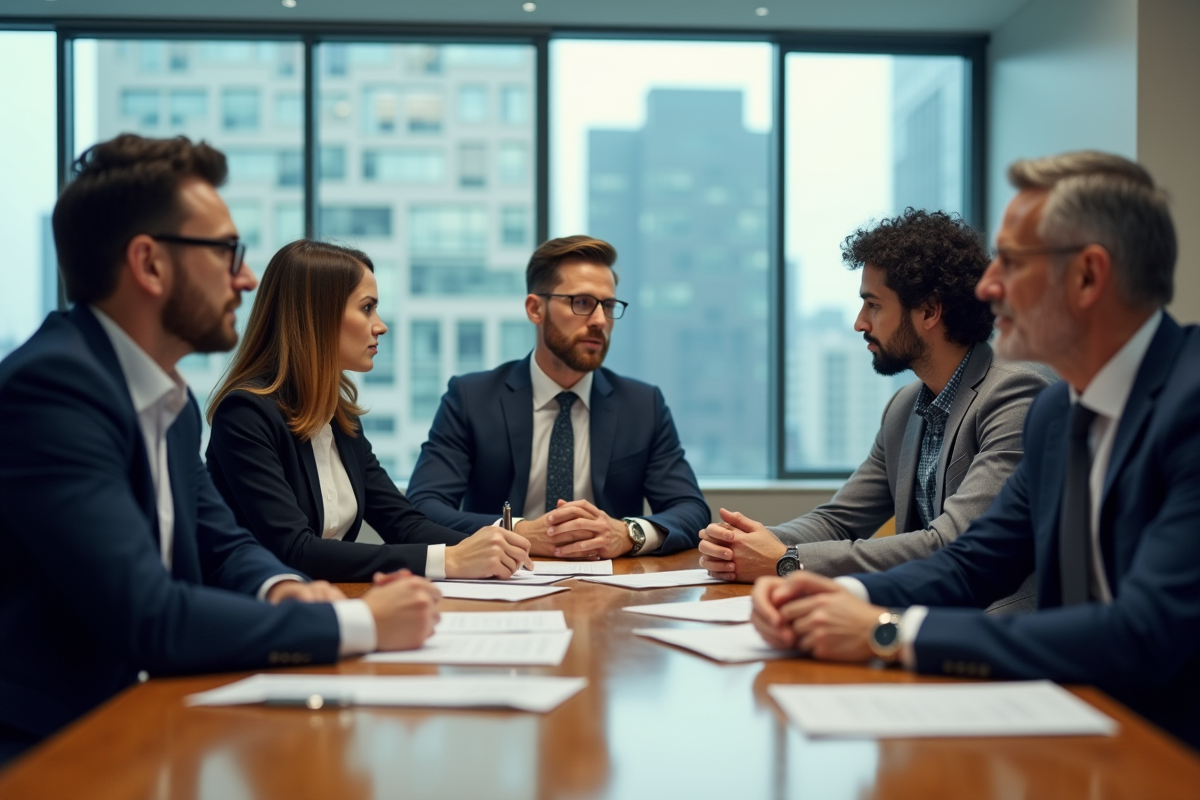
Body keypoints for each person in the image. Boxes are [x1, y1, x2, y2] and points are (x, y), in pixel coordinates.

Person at [0, 134, 440, 766]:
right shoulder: (54, 391)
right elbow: (148, 613)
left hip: (152, 721)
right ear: (149, 264)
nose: (247, 277)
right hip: (56, 744)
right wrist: (360, 626)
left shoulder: (167, 399)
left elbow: (224, 542)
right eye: (225, 251)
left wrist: (283, 588)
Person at [751, 151, 1200, 749]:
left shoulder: (1189, 404)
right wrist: (829, 594)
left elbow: (1144, 632)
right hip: (1077, 732)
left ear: (1089, 277)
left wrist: (890, 632)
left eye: (1010, 263)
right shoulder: (1059, 412)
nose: (987, 287)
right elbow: (972, 564)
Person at [699, 210, 1051, 616]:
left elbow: (951, 542)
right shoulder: (904, 407)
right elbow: (840, 521)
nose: (859, 323)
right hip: (914, 618)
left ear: (929, 312)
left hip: (996, 632)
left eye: (873, 305)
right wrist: (744, 545)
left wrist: (786, 561)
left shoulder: (1014, 395)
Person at [205, 239, 533, 582]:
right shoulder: (244, 415)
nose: (381, 325)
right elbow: (294, 550)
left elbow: (402, 523)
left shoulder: (340, 419)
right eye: (366, 308)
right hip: (262, 617)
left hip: (329, 606)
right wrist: (448, 560)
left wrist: (492, 549)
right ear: (317, 315)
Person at [406, 236, 710, 559]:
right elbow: (422, 507)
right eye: (581, 302)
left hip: (611, 589)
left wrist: (627, 533)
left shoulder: (642, 405)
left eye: (608, 306)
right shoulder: (471, 398)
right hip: (499, 584)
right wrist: (518, 531)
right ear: (535, 309)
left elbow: (690, 509)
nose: (599, 321)